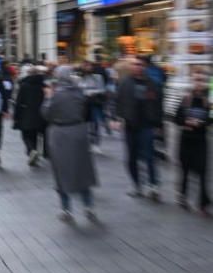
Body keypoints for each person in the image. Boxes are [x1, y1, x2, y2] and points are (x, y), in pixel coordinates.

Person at [42, 66, 98, 222]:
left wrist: (47, 98)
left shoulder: (56, 94)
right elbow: (86, 112)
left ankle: (66, 209)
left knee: (61, 173)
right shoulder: (79, 92)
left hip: (60, 135)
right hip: (79, 133)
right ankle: (88, 206)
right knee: (82, 170)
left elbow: (46, 114)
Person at [116, 57, 163, 200]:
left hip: (146, 125)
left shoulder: (152, 84)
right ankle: (136, 185)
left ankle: (153, 185)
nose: (138, 67)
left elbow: (158, 105)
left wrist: (158, 125)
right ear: (130, 67)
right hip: (130, 126)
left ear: (145, 67)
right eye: (135, 64)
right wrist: (117, 118)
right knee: (131, 158)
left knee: (149, 156)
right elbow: (118, 101)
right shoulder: (125, 83)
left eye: (140, 65)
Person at [174, 71, 210, 214]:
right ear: (192, 81)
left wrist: (200, 123)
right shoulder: (186, 99)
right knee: (185, 170)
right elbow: (177, 119)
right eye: (196, 80)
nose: (199, 83)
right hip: (186, 140)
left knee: (202, 171)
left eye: (202, 80)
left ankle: (203, 203)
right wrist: (186, 122)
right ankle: (183, 196)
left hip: (200, 141)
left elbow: (210, 119)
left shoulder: (208, 102)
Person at [14, 64, 48, 166]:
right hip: (41, 114)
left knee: (26, 135)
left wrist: (16, 116)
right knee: (36, 135)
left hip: (26, 114)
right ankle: (35, 154)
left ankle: (31, 150)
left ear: (28, 74)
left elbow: (19, 102)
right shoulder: (43, 85)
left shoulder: (24, 85)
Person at [80, 61, 107, 154]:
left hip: (94, 103)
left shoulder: (97, 77)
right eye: (85, 66)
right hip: (83, 103)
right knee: (84, 124)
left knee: (94, 123)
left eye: (88, 66)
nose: (87, 68)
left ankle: (95, 143)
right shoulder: (80, 78)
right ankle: (87, 142)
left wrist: (92, 92)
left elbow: (102, 90)